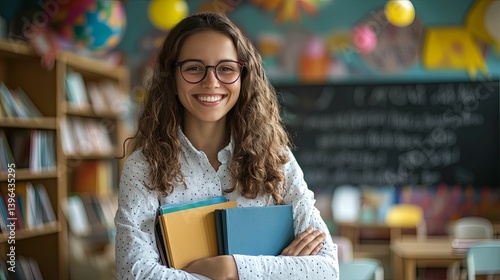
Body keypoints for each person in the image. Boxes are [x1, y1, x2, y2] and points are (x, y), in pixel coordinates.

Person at [114, 12, 339, 280]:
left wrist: (230, 269)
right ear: (171, 78)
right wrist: (278, 269)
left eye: (226, 68)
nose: (211, 82)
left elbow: (326, 270)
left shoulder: (276, 159)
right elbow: (135, 274)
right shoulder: (144, 167)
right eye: (194, 68)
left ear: (243, 77)